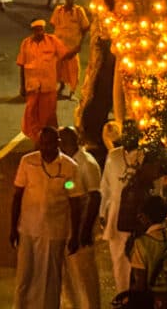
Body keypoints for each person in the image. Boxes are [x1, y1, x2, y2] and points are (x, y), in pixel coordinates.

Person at [10, 126, 82, 309]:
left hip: (54, 231)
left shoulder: (69, 167)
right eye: (42, 144)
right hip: (28, 229)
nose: (45, 148)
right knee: (25, 277)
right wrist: (13, 228)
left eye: (49, 143)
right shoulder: (27, 162)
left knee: (50, 280)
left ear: (58, 143)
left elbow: (75, 201)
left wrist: (75, 235)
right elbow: (17, 195)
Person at [58, 127, 101, 309]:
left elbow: (94, 197)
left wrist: (82, 232)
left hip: (81, 227)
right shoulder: (66, 162)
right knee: (68, 275)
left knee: (84, 274)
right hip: (68, 226)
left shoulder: (86, 163)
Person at [100, 120, 143, 295]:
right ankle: (122, 296)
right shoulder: (114, 155)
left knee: (140, 263)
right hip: (117, 217)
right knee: (119, 261)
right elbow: (106, 187)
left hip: (139, 217)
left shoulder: (146, 157)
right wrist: (103, 213)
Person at [17, 20, 68, 141]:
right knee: (31, 114)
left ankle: (50, 138)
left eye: (41, 29)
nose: (39, 32)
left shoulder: (52, 41)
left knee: (48, 116)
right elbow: (21, 65)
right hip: (32, 86)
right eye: (36, 30)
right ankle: (37, 138)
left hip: (48, 86)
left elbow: (64, 55)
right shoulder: (26, 43)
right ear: (32, 31)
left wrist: (76, 48)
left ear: (44, 29)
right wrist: (22, 86)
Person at [128, 195, 167, 305]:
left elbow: (140, 284)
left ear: (146, 218)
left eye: (140, 216)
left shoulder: (141, 243)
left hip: (153, 301)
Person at [48, 0, 89, 100]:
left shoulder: (79, 11)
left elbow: (85, 28)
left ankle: (72, 91)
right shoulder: (58, 10)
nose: (69, 0)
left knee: (74, 69)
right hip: (59, 45)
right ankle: (60, 86)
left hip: (72, 46)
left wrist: (79, 45)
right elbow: (53, 24)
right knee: (58, 68)